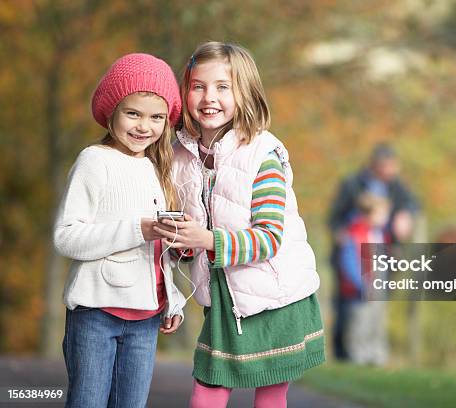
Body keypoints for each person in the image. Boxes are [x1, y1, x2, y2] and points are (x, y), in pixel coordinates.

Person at [154, 41, 324, 408]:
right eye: (198, 86)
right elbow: (191, 239)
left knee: (269, 397)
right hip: (221, 299)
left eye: (222, 87)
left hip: (273, 297)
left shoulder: (263, 157)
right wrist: (182, 240)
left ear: (243, 93)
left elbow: (268, 239)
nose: (208, 97)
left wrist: (206, 238)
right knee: (206, 395)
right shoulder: (179, 156)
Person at [53, 53, 187, 408]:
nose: (145, 126)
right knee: (88, 403)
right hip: (97, 314)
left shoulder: (158, 168)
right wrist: (137, 229)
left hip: (145, 320)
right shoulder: (94, 161)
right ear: (111, 111)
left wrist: (171, 299)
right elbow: (66, 236)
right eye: (133, 114)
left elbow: (158, 254)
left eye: (157, 117)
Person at [328, 143, 419, 360]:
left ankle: (375, 356)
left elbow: (412, 203)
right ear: (376, 166)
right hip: (355, 258)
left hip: (379, 258)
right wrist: (342, 234)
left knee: (377, 313)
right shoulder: (352, 184)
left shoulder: (396, 186)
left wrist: (405, 214)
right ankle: (347, 356)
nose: (391, 172)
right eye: (387, 166)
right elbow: (335, 218)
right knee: (350, 313)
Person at [338, 191, 392, 365]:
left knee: (377, 324)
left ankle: (377, 358)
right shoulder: (354, 234)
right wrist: (360, 284)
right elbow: (348, 262)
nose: (385, 218)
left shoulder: (380, 234)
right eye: (382, 213)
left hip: (378, 288)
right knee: (360, 326)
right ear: (369, 213)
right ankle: (358, 359)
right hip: (359, 291)